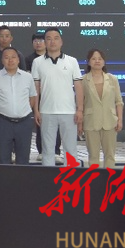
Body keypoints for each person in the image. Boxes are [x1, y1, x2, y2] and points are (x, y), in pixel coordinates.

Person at [32, 28, 83, 166]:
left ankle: (71, 178)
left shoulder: (72, 61)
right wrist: (36, 110)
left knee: (70, 149)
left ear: (61, 41)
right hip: (46, 111)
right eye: (48, 38)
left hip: (69, 111)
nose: (52, 41)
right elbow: (35, 88)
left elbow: (78, 86)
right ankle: (49, 178)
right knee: (47, 150)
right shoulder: (37, 62)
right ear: (45, 42)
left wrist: (79, 109)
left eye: (56, 38)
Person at [0, 46, 37, 164]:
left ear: (18, 59)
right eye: (6, 57)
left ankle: (22, 177)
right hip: (3, 122)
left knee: (23, 159)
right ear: (2, 60)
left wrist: (24, 110)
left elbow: (32, 97)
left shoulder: (27, 77)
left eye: (13, 57)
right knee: (3, 158)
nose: (10, 60)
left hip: (24, 122)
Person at [81, 48, 123, 168]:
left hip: (110, 121)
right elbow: (80, 102)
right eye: (93, 59)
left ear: (104, 61)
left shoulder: (112, 79)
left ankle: (109, 178)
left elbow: (119, 101)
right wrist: (80, 123)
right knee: (93, 156)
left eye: (100, 59)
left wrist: (120, 120)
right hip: (90, 121)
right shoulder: (83, 80)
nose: (97, 61)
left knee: (110, 155)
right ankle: (95, 179)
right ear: (88, 62)